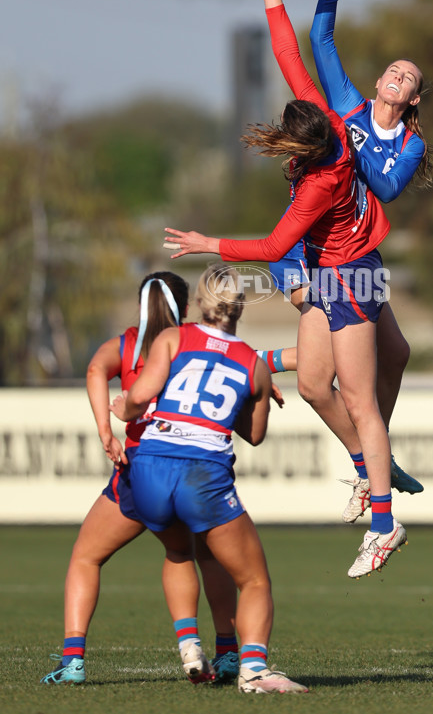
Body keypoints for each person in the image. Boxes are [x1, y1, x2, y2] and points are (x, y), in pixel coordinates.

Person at [163, 0, 408, 579]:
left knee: (360, 402)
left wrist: (205, 243)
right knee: (309, 383)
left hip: (350, 276)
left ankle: (385, 522)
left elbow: (274, 246)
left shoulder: (323, 179)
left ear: (305, 149)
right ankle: (371, 472)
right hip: (334, 273)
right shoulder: (325, 116)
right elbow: (287, 49)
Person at [269, 0, 433, 524]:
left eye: (407, 75)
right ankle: (370, 467)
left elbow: (387, 188)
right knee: (323, 380)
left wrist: (349, 144)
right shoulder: (347, 105)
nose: (396, 73)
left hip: (353, 257)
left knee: (395, 352)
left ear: (413, 98)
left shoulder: (408, 144)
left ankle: (375, 457)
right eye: (392, 68)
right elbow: (318, 38)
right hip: (308, 254)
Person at [109, 263, 308, 693]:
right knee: (253, 579)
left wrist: (121, 409)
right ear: (239, 308)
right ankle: (254, 670)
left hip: (150, 467)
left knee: (179, 553)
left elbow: (140, 397)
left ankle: (189, 647)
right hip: (203, 471)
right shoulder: (252, 364)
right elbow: (254, 435)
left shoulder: (172, 338)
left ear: (199, 303)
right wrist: (250, 394)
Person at [40, 272, 240, 686]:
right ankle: (224, 653)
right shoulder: (190, 339)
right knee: (200, 554)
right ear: (186, 307)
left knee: (86, 556)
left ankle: (73, 662)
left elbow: (97, 368)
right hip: (195, 469)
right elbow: (246, 360)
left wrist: (104, 433)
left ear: (139, 305)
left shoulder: (127, 345)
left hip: (140, 472)